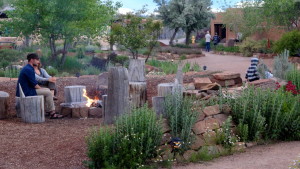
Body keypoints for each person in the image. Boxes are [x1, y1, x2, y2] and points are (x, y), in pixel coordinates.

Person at [16, 53, 63, 119]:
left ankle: (47, 110)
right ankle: (52, 113)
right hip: (26, 91)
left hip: (27, 89)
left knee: (47, 91)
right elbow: (35, 85)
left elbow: (34, 83)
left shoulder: (28, 68)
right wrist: (42, 89)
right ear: (32, 60)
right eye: (37, 59)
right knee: (48, 92)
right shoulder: (28, 69)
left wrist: (43, 89)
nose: (38, 61)